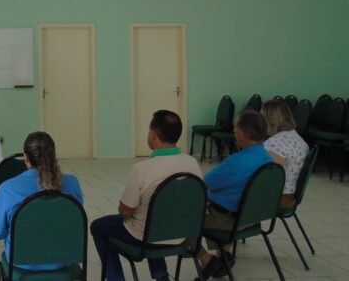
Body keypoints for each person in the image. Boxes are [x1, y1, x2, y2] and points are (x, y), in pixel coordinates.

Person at [91, 110, 201, 281]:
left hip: (145, 237)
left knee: (98, 226)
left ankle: (115, 278)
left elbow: (125, 211)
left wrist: (127, 212)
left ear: (153, 134)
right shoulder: (192, 163)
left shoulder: (142, 169)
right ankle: (161, 275)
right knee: (155, 217)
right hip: (182, 234)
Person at [188, 110, 273, 280]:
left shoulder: (236, 162)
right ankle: (222, 255)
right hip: (250, 218)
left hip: (228, 221)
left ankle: (206, 259)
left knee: (178, 217)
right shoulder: (268, 159)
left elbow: (205, 183)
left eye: (235, 127)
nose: (233, 130)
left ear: (244, 133)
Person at [0, 131, 84, 271]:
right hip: (62, 262)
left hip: (22, 263)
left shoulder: (7, 189)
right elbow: (74, 223)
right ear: (53, 156)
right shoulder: (72, 184)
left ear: (26, 158)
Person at [261, 99, 309, 209]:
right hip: (291, 197)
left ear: (270, 119)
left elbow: (263, 177)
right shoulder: (299, 139)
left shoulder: (273, 145)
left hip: (279, 198)